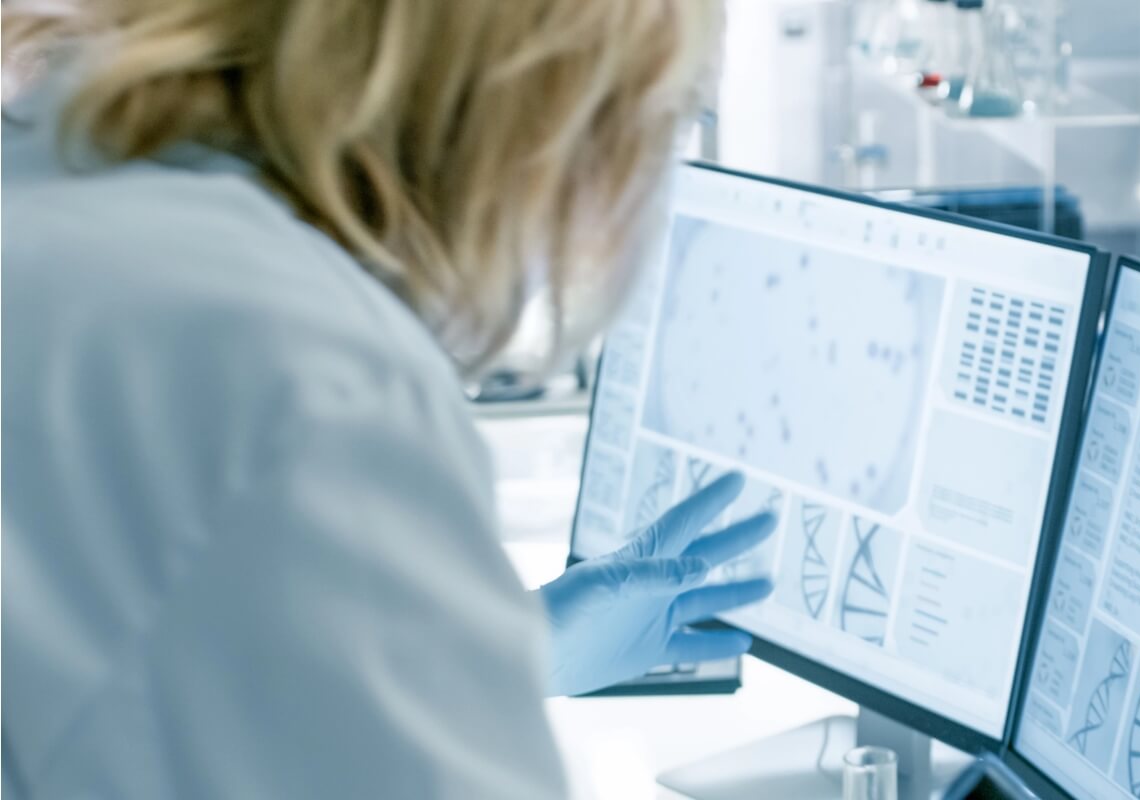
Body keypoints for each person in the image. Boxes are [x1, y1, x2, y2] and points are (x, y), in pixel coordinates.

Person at [1, 1, 777, 796]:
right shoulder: (309, 368)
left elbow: (138, 641)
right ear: (532, 104)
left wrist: (502, 652)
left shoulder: (53, 169)